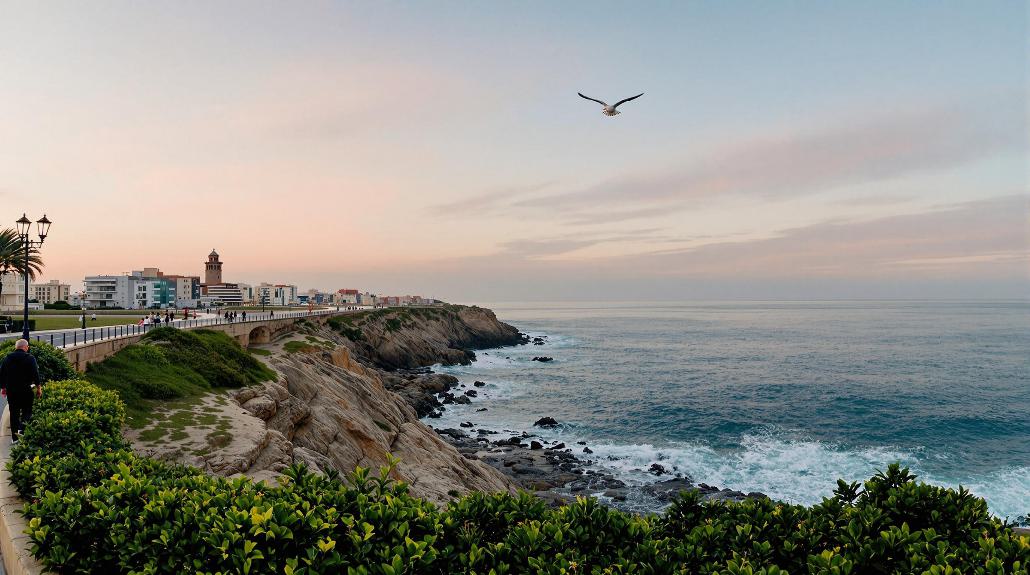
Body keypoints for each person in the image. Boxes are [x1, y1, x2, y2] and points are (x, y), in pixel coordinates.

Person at [0, 339, 42, 441]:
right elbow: (35, 374)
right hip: (26, 390)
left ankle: (14, 438)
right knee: (27, 411)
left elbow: (2, 375)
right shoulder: (30, 358)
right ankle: (22, 429)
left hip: (12, 391)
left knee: (14, 413)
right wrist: (39, 388)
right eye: (27, 347)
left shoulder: (7, 359)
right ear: (25, 347)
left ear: (16, 347)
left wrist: (3, 388)